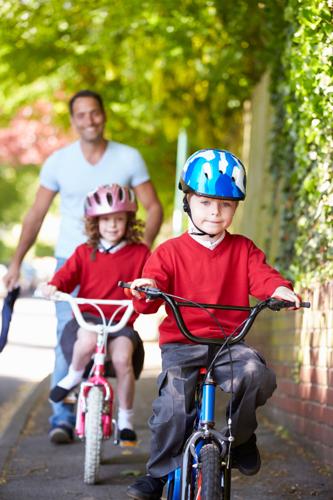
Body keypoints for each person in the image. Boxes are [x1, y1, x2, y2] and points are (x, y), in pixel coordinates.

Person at [125, 149, 301, 500]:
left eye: (226, 205)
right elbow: (150, 289)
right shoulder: (169, 252)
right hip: (182, 344)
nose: (215, 212)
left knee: (257, 375)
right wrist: (149, 289)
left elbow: (263, 277)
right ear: (188, 200)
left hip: (228, 345)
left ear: (236, 208)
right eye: (206, 202)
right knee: (173, 407)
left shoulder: (243, 250)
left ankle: (244, 438)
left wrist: (279, 289)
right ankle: (158, 475)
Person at [3, 89, 163, 444]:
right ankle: (62, 417)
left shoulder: (128, 157)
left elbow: (154, 207)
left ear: (103, 115)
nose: (89, 120)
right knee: (70, 339)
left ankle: (115, 414)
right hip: (72, 261)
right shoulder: (59, 162)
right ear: (73, 120)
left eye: (95, 113)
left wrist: (141, 255)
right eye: (81, 115)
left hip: (120, 264)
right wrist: (16, 262)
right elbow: (35, 215)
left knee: (117, 347)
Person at [40, 184, 150, 445]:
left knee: (124, 359)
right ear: (95, 222)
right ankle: (74, 376)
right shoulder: (83, 252)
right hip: (90, 316)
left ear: (129, 221)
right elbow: (66, 276)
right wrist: (53, 286)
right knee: (87, 341)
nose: (113, 225)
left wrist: (149, 288)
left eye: (119, 219)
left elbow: (151, 278)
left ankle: (125, 418)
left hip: (121, 321)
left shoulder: (140, 253)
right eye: (106, 220)